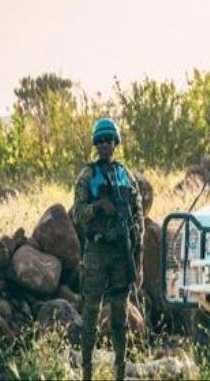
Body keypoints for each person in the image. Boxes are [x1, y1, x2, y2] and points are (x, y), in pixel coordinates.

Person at [73, 117, 144, 381]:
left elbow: (138, 217)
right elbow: (78, 214)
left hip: (121, 254)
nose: (105, 145)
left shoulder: (126, 175)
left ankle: (120, 373)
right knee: (90, 314)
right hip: (97, 252)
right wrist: (98, 207)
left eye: (109, 140)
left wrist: (137, 256)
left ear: (116, 143)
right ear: (96, 144)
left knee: (119, 318)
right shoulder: (88, 175)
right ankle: (87, 374)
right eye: (101, 141)